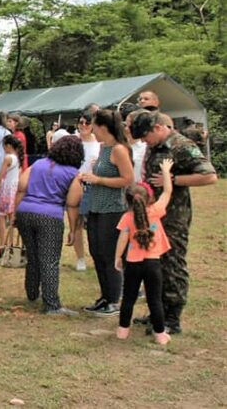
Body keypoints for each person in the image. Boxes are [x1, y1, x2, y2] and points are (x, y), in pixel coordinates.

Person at [131, 110, 218, 334]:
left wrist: (174, 179)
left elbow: (209, 176)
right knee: (155, 266)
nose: (143, 142)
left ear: (158, 128)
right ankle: (158, 312)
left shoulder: (181, 146)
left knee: (172, 266)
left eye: (145, 136)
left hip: (174, 218)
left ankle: (172, 317)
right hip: (155, 216)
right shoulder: (155, 146)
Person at [14, 136, 84, 316]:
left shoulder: (38, 164)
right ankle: (52, 304)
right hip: (50, 216)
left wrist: (16, 212)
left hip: (26, 211)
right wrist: (74, 228)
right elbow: (72, 203)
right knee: (50, 261)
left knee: (33, 256)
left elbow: (21, 186)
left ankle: (32, 294)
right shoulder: (73, 173)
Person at [79, 109, 135, 317]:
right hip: (95, 207)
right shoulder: (103, 148)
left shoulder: (119, 150)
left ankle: (114, 299)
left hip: (112, 209)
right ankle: (104, 296)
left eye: (93, 124)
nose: (90, 128)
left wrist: (99, 180)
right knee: (97, 252)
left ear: (103, 127)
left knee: (110, 254)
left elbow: (127, 179)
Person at [115, 159, 175, 345]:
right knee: (154, 300)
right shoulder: (156, 211)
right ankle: (160, 334)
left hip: (133, 263)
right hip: (153, 263)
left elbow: (123, 239)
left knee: (129, 298)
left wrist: (117, 257)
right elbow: (167, 191)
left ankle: (123, 331)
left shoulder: (127, 217)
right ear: (149, 198)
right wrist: (165, 171)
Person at [74, 110, 101, 272]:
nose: (83, 126)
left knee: (93, 224)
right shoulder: (73, 141)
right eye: (81, 122)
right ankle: (80, 258)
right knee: (76, 222)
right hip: (75, 184)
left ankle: (97, 256)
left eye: (87, 123)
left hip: (93, 185)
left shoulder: (99, 144)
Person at [0, 135, 23, 254]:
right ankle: (11, 243)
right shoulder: (17, 158)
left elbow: (0, 176)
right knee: (12, 217)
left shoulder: (8, 158)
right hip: (15, 188)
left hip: (7, 188)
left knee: (1, 216)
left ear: (8, 146)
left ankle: (2, 244)